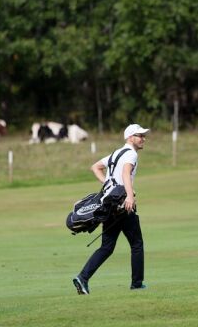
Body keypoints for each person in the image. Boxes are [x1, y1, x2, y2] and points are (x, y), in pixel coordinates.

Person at [72, 123, 150, 295]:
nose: (143, 138)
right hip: (122, 205)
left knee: (107, 247)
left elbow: (95, 167)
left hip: (108, 204)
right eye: (140, 135)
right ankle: (137, 284)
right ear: (130, 138)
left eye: (144, 135)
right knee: (137, 244)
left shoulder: (116, 153)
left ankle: (82, 278)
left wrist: (108, 184)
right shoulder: (131, 154)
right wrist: (129, 195)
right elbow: (125, 173)